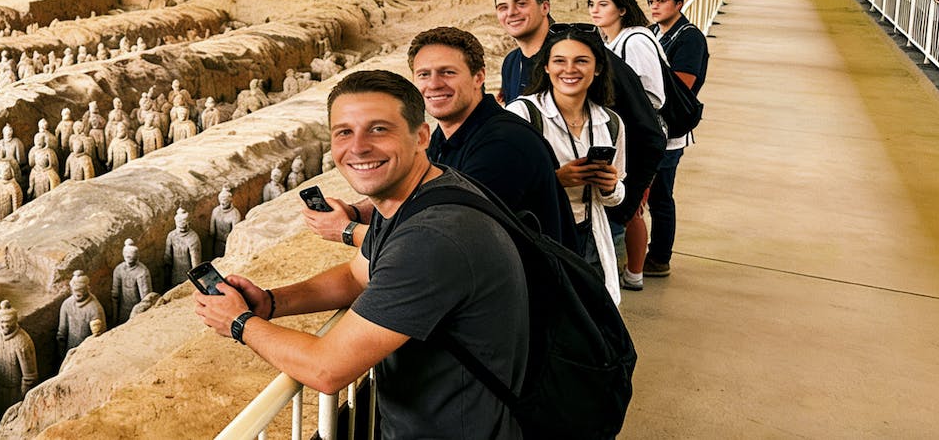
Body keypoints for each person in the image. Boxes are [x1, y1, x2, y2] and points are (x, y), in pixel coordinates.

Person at [194, 70, 528, 437]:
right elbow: (357, 275)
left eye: (379, 129)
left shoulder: (432, 238)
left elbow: (327, 369)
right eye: (344, 132)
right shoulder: (416, 195)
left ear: (420, 137)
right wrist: (271, 302)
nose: (358, 147)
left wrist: (240, 323)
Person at [303, 26, 575, 251]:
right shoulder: (445, 136)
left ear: (479, 76)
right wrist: (353, 212)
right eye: (424, 74)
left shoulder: (503, 145)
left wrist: (346, 230)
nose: (433, 84)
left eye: (447, 72)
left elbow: (440, 240)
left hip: (532, 305)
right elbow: (414, 195)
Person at [504, 24, 627, 304]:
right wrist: (555, 179)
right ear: (546, 67)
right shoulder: (522, 115)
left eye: (581, 61)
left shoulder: (611, 123)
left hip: (590, 239)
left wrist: (610, 187)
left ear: (597, 68)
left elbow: (617, 195)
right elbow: (502, 191)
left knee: (592, 321)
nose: (569, 69)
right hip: (540, 238)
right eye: (559, 61)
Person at [589, 0, 663, 292]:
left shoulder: (633, 42)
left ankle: (633, 274)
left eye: (603, 4)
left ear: (621, 8)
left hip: (640, 140)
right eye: (592, 3)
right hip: (627, 138)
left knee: (632, 209)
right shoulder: (608, 42)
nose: (595, 9)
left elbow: (652, 97)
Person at [641, 0, 710, 279]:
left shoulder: (689, 38)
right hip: (655, 127)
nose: (655, 7)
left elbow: (683, 86)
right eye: (652, 2)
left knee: (660, 196)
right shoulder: (656, 33)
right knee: (651, 193)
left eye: (662, 1)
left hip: (670, 132)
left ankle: (659, 258)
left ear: (679, 4)